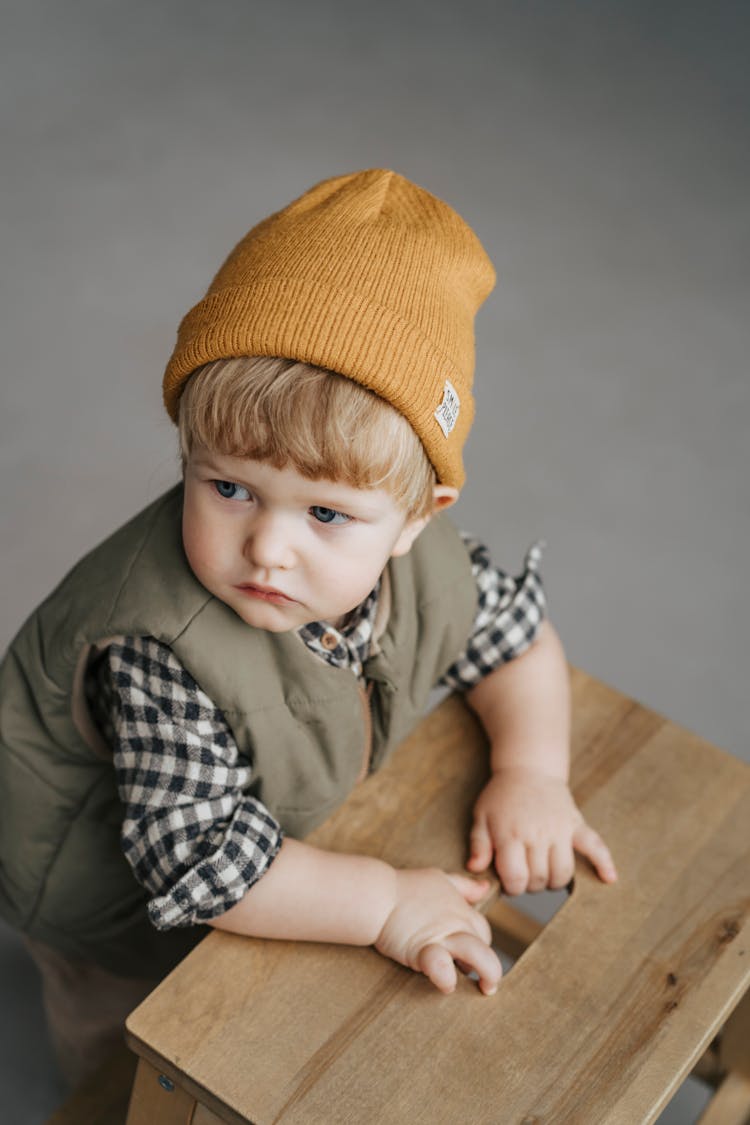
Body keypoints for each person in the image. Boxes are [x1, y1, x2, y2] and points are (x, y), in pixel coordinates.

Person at [0, 168, 617, 1088]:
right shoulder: (153, 646)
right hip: (112, 896)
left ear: (419, 514)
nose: (268, 549)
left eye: (326, 513)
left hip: (279, 809)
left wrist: (532, 770)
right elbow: (211, 864)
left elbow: (513, 632)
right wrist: (385, 907)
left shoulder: (428, 556)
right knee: (133, 1040)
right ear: (188, 454)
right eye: (229, 488)